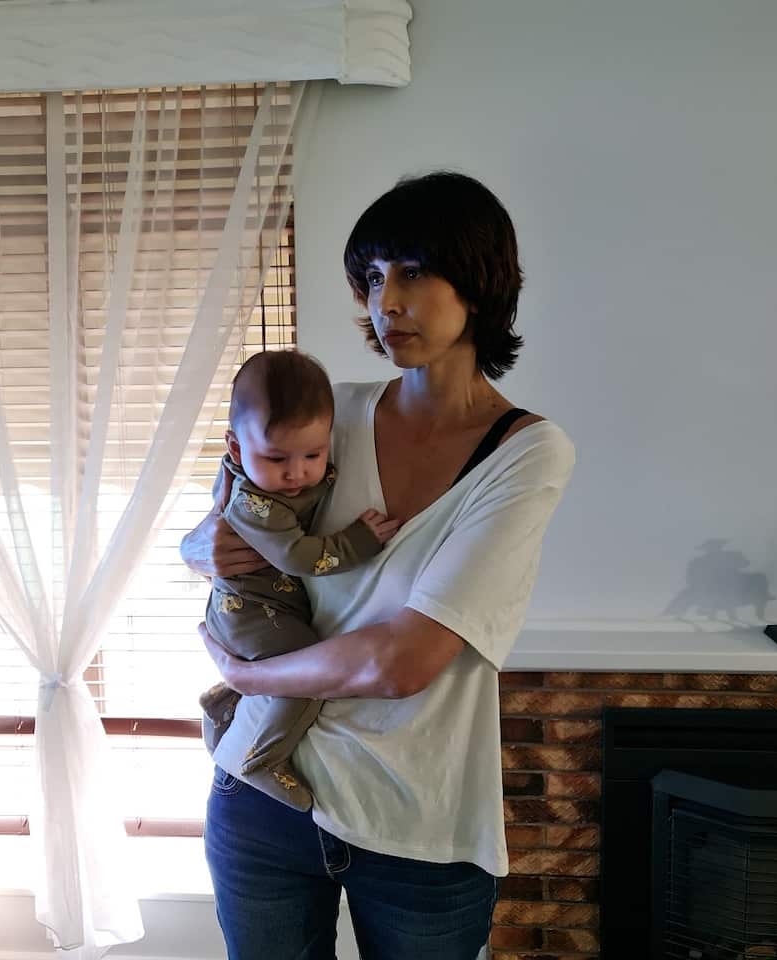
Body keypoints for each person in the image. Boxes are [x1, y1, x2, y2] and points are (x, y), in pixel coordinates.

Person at [179, 171, 576, 959]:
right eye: (372, 276)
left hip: (417, 825)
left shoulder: (527, 454)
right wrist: (205, 546)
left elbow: (405, 659)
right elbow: (209, 533)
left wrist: (252, 676)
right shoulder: (332, 413)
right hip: (263, 799)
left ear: (481, 282)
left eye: (413, 272)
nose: (385, 300)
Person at [199, 348, 399, 812]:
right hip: (250, 613)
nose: (297, 473)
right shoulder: (254, 504)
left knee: (294, 670)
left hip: (266, 607)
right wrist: (357, 541)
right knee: (304, 679)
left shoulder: (274, 479)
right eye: (276, 459)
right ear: (235, 448)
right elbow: (300, 557)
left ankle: (223, 702)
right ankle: (262, 759)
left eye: (313, 454)